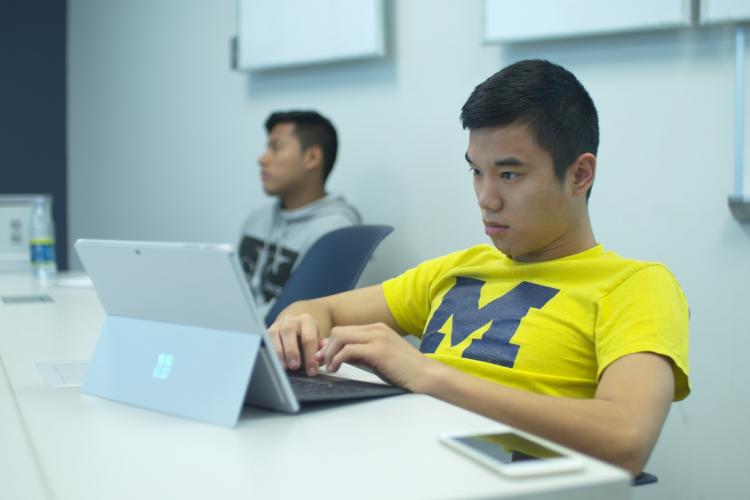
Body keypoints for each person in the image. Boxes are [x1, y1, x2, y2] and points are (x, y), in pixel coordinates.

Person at [267, 60, 689, 476]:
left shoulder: (636, 285)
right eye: (476, 171)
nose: (486, 198)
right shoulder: (458, 269)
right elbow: (318, 310)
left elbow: (627, 438)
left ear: (580, 175)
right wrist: (295, 326)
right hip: (398, 464)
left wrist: (428, 374)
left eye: (508, 174)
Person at [239, 110, 361, 318]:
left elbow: (298, 319)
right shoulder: (258, 218)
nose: (262, 159)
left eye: (275, 148)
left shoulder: (334, 232)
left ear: (312, 157)